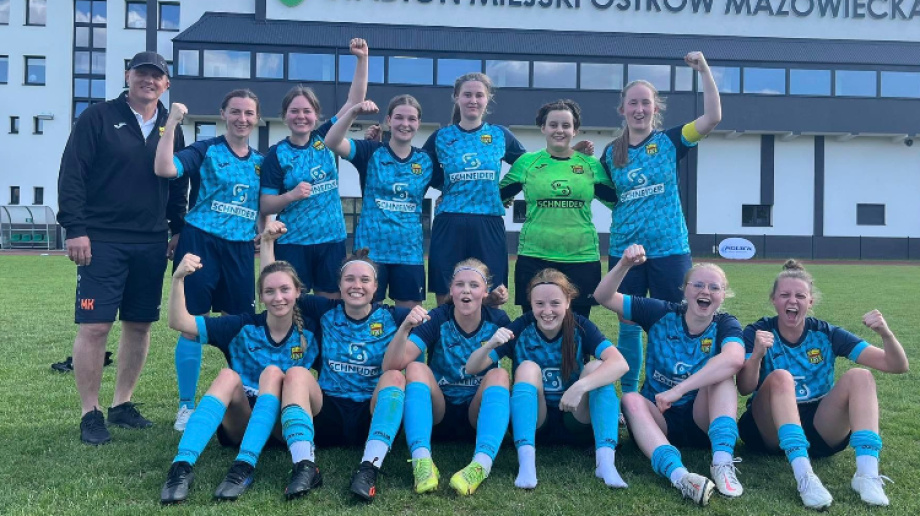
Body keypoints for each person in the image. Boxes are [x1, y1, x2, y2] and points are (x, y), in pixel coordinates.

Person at [57, 51, 189, 445]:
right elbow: (72, 173)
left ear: (166, 83)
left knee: (139, 324)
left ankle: (122, 403)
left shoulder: (171, 124)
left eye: (157, 76)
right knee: (96, 326)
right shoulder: (97, 117)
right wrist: (75, 228)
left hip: (151, 241)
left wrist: (177, 228)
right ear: (128, 76)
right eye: (142, 73)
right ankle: (90, 412)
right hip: (101, 239)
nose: (149, 80)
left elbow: (177, 181)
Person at [159, 227, 324, 504]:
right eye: (269, 291)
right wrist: (178, 279)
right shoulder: (243, 327)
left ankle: (244, 466)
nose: (278, 297)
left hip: (288, 424)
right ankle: (181, 466)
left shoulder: (312, 331)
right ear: (261, 296)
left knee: (274, 372)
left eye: (285, 289)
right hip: (244, 422)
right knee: (227, 375)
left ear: (298, 292)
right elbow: (180, 322)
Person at [736, 260, 908, 509]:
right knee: (782, 377)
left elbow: (896, 365)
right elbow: (744, 387)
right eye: (784, 295)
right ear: (774, 300)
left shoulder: (826, 333)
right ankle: (805, 476)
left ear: (810, 301)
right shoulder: (758, 331)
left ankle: (867, 475)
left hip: (819, 427)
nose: (792, 301)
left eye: (800, 296)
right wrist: (756, 356)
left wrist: (886, 334)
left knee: (861, 376)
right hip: (768, 429)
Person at [601, 52, 722, 396]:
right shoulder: (610, 153)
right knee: (628, 323)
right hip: (625, 250)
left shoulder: (670, 141)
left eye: (645, 103)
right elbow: (604, 194)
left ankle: (672, 391)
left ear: (655, 108)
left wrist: (704, 70)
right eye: (633, 103)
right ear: (622, 109)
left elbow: (713, 117)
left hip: (669, 248)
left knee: (675, 322)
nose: (639, 109)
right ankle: (629, 396)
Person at [262, 233, 410, 503]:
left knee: (394, 377)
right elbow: (278, 284)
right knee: (296, 374)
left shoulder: (394, 316)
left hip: (370, 414)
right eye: (349, 279)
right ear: (339, 285)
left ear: (376, 287)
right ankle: (305, 466)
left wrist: (488, 304)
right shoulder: (324, 309)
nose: (357, 285)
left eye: (365, 280)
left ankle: (369, 468)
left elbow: (443, 318)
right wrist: (267, 245)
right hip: (327, 413)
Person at [594, 244, 745, 506]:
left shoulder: (725, 323)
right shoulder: (661, 312)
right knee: (630, 399)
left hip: (702, 420)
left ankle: (722, 462)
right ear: (685, 290)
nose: (705, 291)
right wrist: (624, 265)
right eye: (698, 285)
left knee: (722, 377)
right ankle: (680, 476)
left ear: (723, 295)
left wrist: (679, 390)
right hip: (659, 420)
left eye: (714, 287)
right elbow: (603, 296)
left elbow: (734, 359)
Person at [155, 89, 265, 432]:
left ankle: (243, 398)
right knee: (193, 324)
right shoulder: (206, 150)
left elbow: (264, 204)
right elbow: (164, 167)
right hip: (200, 242)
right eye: (236, 112)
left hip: (240, 250)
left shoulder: (262, 162)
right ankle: (186, 407)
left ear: (257, 118)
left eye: (249, 113)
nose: (242, 119)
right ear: (223, 114)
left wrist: (264, 230)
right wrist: (171, 123)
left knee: (240, 326)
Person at [467, 268, 628, 490]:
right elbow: (472, 368)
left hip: (575, 419)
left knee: (597, 368)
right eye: (539, 304)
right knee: (527, 368)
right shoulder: (521, 327)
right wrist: (491, 344)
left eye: (555, 303)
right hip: (535, 423)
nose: (547, 311)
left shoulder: (580, 325)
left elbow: (620, 363)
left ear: (568, 302)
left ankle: (606, 463)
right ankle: (526, 463)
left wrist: (580, 386)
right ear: (531, 304)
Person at [381, 258, 511, 496]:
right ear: (451, 290)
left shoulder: (498, 320)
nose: (466, 290)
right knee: (415, 368)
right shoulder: (439, 317)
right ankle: (422, 460)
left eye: (474, 285)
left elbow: (524, 361)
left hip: (477, 415)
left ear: (485, 291)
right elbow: (391, 365)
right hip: (438, 413)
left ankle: (481, 464)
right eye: (460, 284)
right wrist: (405, 328)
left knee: (500, 374)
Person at [259, 38, 369, 299]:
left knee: (329, 306)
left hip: (331, 240)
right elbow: (265, 205)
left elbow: (354, 101)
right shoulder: (277, 154)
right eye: (294, 111)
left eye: (307, 111)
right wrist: (291, 195)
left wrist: (362, 59)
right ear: (285, 116)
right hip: (292, 242)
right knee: (294, 305)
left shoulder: (326, 138)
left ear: (316, 115)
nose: (301, 116)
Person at [499, 99, 617, 319]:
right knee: (534, 326)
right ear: (543, 128)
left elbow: (617, 201)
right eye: (553, 125)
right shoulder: (527, 162)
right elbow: (496, 197)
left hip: (581, 258)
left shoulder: (590, 165)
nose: (559, 130)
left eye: (566, 125)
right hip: (534, 257)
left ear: (575, 130)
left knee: (578, 327)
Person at [422, 72, 527, 306]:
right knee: (447, 293)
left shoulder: (499, 135)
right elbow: (420, 170)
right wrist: (446, 188)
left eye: (479, 95)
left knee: (493, 294)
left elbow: (528, 167)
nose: (473, 100)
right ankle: (447, 330)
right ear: (456, 97)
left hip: (488, 221)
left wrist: (503, 192)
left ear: (487, 99)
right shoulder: (441, 137)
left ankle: (489, 331)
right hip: (450, 220)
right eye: (467, 94)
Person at [324, 95, 433, 307]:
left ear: (418, 123)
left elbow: (450, 182)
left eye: (411, 119)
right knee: (367, 314)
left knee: (410, 319)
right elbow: (331, 141)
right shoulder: (370, 151)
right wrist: (353, 112)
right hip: (370, 251)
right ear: (388, 120)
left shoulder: (426, 160)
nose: (405, 123)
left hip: (409, 253)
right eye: (399, 117)